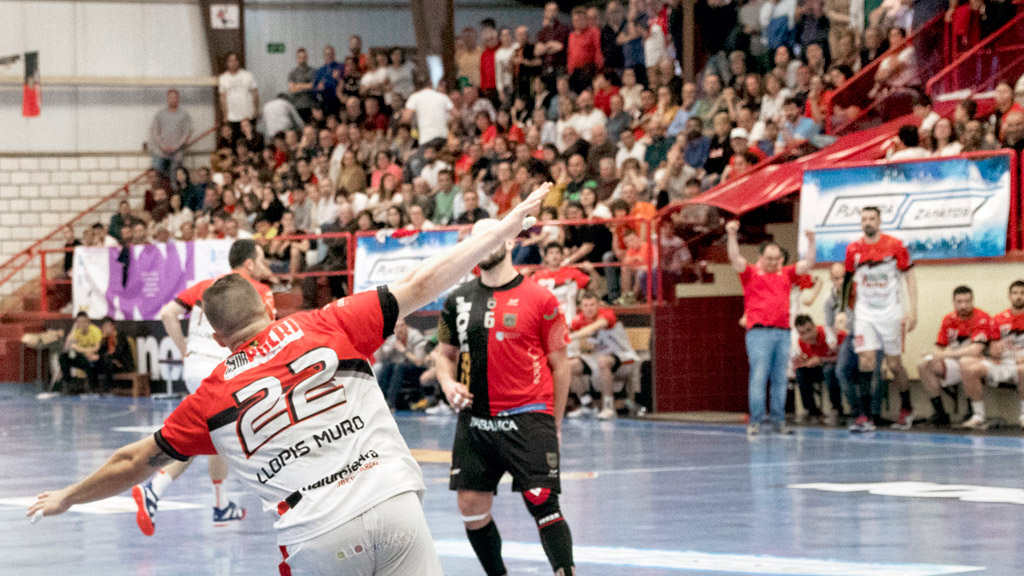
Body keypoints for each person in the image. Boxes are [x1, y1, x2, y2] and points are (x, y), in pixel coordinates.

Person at [29, 184, 554, 576]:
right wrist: (500, 230)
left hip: (317, 534)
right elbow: (420, 282)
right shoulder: (329, 322)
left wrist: (69, 497)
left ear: (216, 333)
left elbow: (135, 460)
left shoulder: (214, 392)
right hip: (392, 502)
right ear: (267, 302)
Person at [433, 207, 575, 576]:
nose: (486, 246)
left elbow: (561, 365)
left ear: (510, 240)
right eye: (478, 241)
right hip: (476, 421)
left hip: (528, 415)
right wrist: (448, 384)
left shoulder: (541, 299)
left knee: (542, 500)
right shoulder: (458, 300)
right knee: (471, 506)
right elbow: (443, 355)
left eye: (493, 237)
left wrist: (554, 422)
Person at [130, 240, 275, 536]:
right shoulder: (257, 291)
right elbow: (269, 333)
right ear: (249, 264)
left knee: (214, 437)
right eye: (261, 259)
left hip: (195, 367)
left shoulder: (207, 286)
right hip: (221, 369)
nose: (265, 266)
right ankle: (155, 488)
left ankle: (221, 505)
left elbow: (169, 313)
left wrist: (185, 349)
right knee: (215, 436)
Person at [726, 220, 815, 435]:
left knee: (780, 379)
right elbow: (735, 258)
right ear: (761, 258)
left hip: (783, 332)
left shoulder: (786, 274)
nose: (773, 262)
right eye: (769, 259)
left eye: (777, 259)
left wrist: (811, 241)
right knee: (759, 376)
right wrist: (731, 235)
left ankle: (778, 421)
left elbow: (808, 264)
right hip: (758, 333)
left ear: (782, 259)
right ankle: (756, 421)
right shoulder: (751, 274)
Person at [841, 206, 917, 431]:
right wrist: (843, 311)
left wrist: (913, 310)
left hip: (891, 313)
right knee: (866, 359)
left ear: (880, 221)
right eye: (864, 219)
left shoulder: (896, 246)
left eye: (872, 218)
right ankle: (865, 416)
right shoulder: (853, 249)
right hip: (865, 313)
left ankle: (906, 407)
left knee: (894, 364)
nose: (868, 222)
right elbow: (847, 281)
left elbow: (910, 278)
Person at [917, 286, 993, 428]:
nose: (963, 305)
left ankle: (973, 410)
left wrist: (946, 354)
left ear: (972, 301)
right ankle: (940, 413)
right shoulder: (948, 319)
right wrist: (932, 355)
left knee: (966, 362)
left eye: (967, 301)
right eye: (959, 302)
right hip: (955, 362)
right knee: (924, 365)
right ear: (954, 302)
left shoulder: (981, 318)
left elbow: (976, 349)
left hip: (978, 363)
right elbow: (939, 347)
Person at [961, 280, 1024, 429]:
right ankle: (978, 415)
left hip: (1021, 363)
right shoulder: (998, 319)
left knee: (1023, 369)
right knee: (970, 368)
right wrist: (992, 351)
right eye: (1015, 293)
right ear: (1009, 296)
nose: (1019, 296)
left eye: (1022, 293)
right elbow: (989, 346)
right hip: (1002, 362)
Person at [569, 291, 640, 420]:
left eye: (592, 305)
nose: (589, 308)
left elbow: (592, 329)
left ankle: (609, 407)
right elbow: (567, 328)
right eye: (586, 305)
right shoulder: (580, 319)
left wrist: (570, 337)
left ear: (598, 305)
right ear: (581, 307)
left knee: (603, 361)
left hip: (625, 357)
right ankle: (587, 405)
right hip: (601, 358)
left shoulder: (606, 314)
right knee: (571, 365)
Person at [793, 314, 845, 425]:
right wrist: (803, 362)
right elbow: (811, 359)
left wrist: (822, 359)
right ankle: (811, 410)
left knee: (828, 369)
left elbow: (846, 357)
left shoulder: (830, 334)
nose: (807, 336)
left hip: (836, 367)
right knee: (800, 372)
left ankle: (837, 408)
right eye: (802, 333)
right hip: (821, 368)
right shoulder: (802, 342)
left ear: (815, 326)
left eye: (809, 330)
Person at [374, 318, 428, 410]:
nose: (400, 329)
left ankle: (390, 403)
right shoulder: (392, 338)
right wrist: (392, 346)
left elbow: (420, 362)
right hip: (397, 368)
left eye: (402, 326)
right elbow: (381, 359)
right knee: (385, 366)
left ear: (406, 326)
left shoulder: (415, 336)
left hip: (415, 369)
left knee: (399, 367)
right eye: (396, 327)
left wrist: (404, 351)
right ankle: (379, 400)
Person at [149, 89, 193, 178]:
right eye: (170, 97)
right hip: (160, 152)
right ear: (167, 98)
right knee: (157, 176)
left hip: (177, 153)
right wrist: (163, 146)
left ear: (178, 99)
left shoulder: (184, 115)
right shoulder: (160, 114)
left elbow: (187, 133)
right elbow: (155, 131)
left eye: (175, 97)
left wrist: (176, 147)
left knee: (175, 177)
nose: (173, 99)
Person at [56, 312, 103, 394]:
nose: (82, 324)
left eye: (84, 321)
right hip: (81, 357)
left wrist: (81, 349)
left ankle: (93, 388)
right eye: (79, 322)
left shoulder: (95, 331)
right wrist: (69, 338)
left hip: (92, 358)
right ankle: (68, 384)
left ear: (88, 321)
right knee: (63, 357)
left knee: (88, 360)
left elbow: (96, 348)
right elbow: (70, 347)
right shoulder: (76, 332)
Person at [218, 52, 259, 135]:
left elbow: (255, 93)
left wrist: (255, 110)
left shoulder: (247, 75)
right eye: (230, 61)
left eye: (235, 60)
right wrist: (225, 115)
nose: (233, 63)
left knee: (250, 138)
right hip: (232, 117)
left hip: (248, 115)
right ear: (227, 63)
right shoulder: (223, 78)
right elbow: (222, 98)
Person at [97, 316, 135, 394]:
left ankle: (109, 388)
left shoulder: (120, 336)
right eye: (105, 327)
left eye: (109, 326)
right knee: (97, 362)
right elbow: (100, 353)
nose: (107, 329)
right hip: (111, 364)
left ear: (113, 326)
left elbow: (119, 353)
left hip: (123, 364)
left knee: (107, 360)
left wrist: (108, 357)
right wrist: (103, 340)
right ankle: (95, 388)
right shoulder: (105, 339)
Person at [287, 48, 316, 121]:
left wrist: (299, 85)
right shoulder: (292, 73)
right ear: (297, 58)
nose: (302, 59)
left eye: (304, 57)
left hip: (311, 107)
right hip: (297, 107)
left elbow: (314, 86)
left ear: (307, 58)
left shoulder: (313, 71)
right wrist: (307, 85)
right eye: (300, 57)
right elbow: (292, 89)